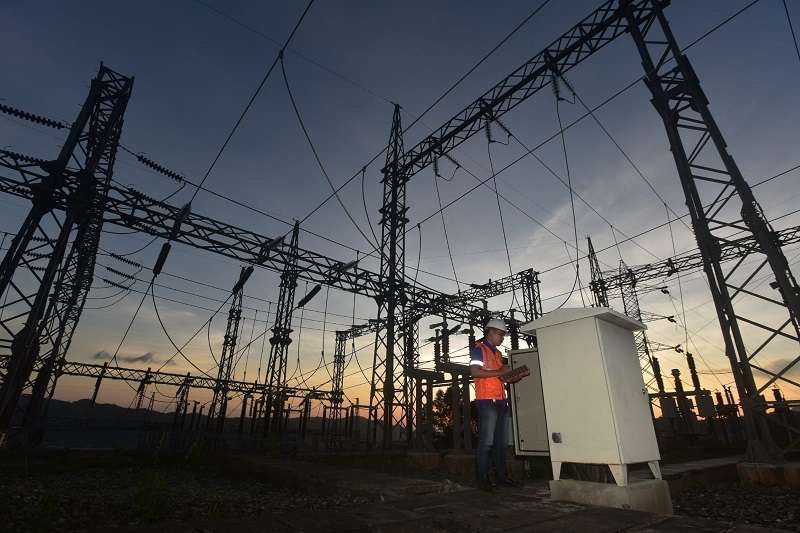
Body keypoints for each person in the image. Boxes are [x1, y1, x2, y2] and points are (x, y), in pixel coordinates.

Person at [470, 318, 523, 491]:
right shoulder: (479, 349)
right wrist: (500, 372)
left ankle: (502, 477)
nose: (502, 338)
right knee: (487, 442)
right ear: (491, 332)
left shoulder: (498, 354)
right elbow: (475, 371)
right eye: (500, 334)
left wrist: (512, 377)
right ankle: (482, 479)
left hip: (500, 401)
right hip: (486, 401)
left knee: (501, 443)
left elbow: (499, 377)